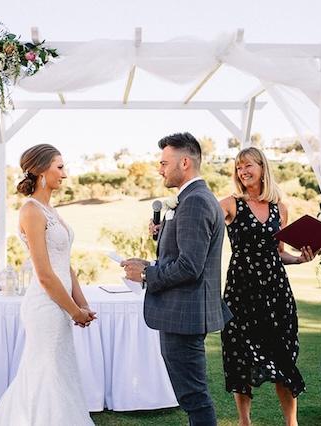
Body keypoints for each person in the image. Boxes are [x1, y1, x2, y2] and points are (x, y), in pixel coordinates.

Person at [122, 132, 232, 426]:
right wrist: (149, 261)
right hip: (183, 311)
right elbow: (182, 255)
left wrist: (146, 274)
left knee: (194, 398)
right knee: (191, 396)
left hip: (184, 314)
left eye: (164, 163)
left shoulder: (195, 202)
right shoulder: (192, 199)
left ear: (184, 163)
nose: (160, 169)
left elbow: (189, 266)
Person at [0, 144, 96, 426]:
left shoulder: (51, 210)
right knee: (46, 373)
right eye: (60, 167)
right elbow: (45, 274)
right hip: (45, 306)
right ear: (41, 170)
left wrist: (82, 304)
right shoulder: (31, 211)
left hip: (61, 304)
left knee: (58, 371)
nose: (65, 174)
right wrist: (74, 312)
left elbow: (66, 264)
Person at [218, 147, 315, 426]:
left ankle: (291, 423)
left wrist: (300, 259)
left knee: (283, 357)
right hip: (241, 291)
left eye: (248, 165)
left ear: (262, 168)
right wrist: (165, 226)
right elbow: (199, 220)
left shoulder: (280, 209)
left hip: (276, 292)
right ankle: (244, 422)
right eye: (238, 167)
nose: (242, 171)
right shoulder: (231, 204)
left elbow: (278, 252)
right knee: (240, 356)